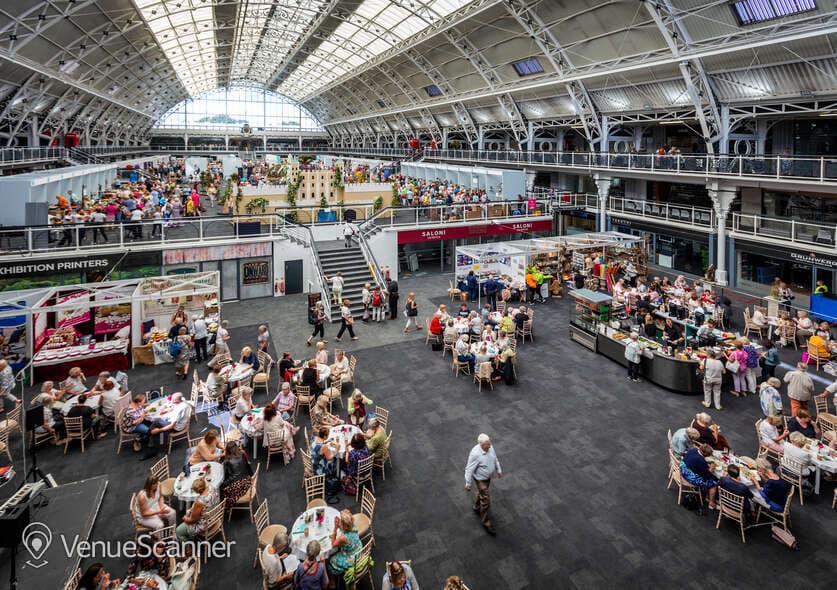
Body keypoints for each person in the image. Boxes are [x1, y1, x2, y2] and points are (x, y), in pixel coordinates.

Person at [464, 433, 502, 535]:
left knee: (482, 493)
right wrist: (468, 483)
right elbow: (469, 469)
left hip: (487, 478)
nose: (490, 445)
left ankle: (476, 507)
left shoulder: (490, 447)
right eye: (487, 444)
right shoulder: (475, 454)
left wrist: (499, 469)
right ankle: (486, 522)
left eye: (490, 443)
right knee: (486, 500)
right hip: (480, 479)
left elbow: (495, 458)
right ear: (481, 445)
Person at [327, 509, 362, 581]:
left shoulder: (343, 538)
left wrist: (335, 528)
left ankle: (332, 582)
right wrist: (340, 524)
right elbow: (346, 528)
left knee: (329, 560)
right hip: (358, 551)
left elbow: (333, 544)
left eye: (340, 520)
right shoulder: (353, 525)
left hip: (351, 559)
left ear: (343, 525)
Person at [680, 444, 718, 509]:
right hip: (690, 477)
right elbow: (706, 476)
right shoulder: (701, 460)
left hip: (683, 469)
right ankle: (711, 502)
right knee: (714, 483)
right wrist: (711, 469)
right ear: (705, 454)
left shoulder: (693, 450)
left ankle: (707, 494)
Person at [220, 440, 253, 514]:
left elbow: (224, 476)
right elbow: (248, 467)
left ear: (227, 450)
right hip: (247, 481)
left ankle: (225, 507)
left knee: (221, 488)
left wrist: (222, 485)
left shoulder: (227, 461)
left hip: (237, 486)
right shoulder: (242, 453)